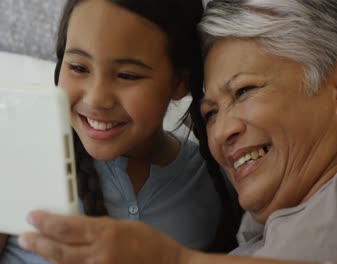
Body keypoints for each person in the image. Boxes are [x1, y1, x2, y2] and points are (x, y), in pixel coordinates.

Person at [16, 0, 337, 263]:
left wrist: (176, 262)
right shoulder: (240, 234)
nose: (221, 133)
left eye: (245, 90)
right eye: (210, 113)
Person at [0, 0, 241, 263]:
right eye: (79, 68)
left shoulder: (216, 182)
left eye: (127, 75)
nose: (96, 99)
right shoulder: (19, 155)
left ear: (180, 81)